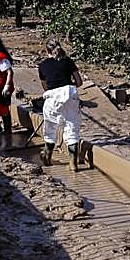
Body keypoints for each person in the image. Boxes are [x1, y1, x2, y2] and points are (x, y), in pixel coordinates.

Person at [38, 40, 86, 170]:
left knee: (50, 129)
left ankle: (47, 157)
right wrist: (68, 89)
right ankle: (73, 164)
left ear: (47, 51)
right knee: (71, 129)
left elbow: (45, 87)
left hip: (52, 99)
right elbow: (79, 82)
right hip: (70, 96)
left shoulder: (42, 65)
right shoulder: (68, 61)